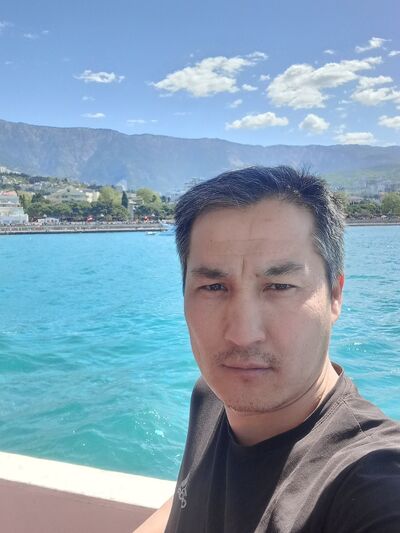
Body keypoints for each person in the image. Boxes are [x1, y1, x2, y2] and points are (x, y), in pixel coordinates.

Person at [134, 166, 400, 533]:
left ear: (335, 296)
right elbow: (189, 498)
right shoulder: (212, 396)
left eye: (279, 286)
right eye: (213, 287)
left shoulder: (371, 483)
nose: (243, 335)